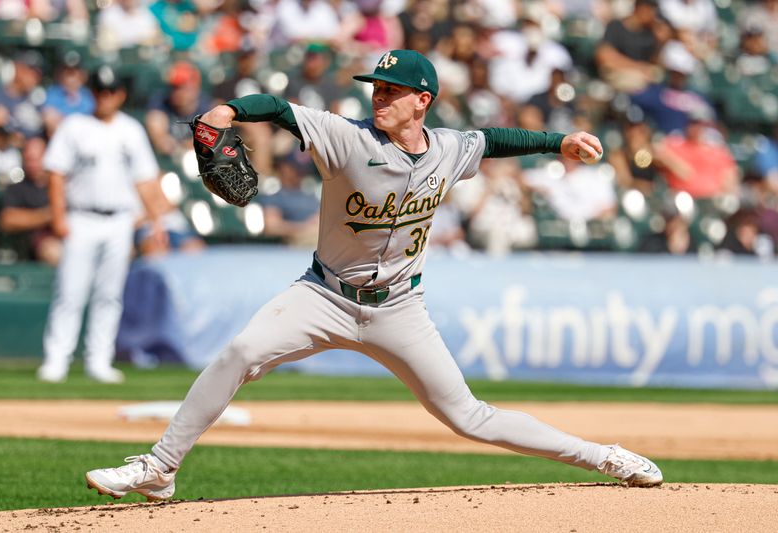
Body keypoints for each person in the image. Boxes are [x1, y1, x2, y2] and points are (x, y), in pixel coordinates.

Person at [85, 49, 662, 501]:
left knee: (470, 418)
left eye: (391, 91)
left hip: (399, 309)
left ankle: (604, 457)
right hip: (323, 295)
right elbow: (281, 111)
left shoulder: (450, 149)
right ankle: (158, 468)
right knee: (239, 352)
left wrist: (558, 141)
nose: (378, 97)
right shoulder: (347, 137)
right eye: (376, 89)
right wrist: (227, 112)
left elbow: (499, 141)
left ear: (423, 101)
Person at [37, 66, 166, 385]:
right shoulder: (75, 125)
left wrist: (157, 220)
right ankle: (57, 359)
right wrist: (58, 216)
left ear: (120, 94)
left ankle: (99, 359)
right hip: (81, 216)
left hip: (119, 219)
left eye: (110, 91)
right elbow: (56, 173)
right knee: (70, 290)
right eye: (99, 90)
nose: (104, 96)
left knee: (109, 293)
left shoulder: (130, 130)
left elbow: (146, 179)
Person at [0, 137, 61, 266]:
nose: (32, 164)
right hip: (36, 244)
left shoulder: (62, 185)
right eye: (29, 159)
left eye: (36, 159)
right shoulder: (17, 189)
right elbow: (7, 219)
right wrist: (47, 215)